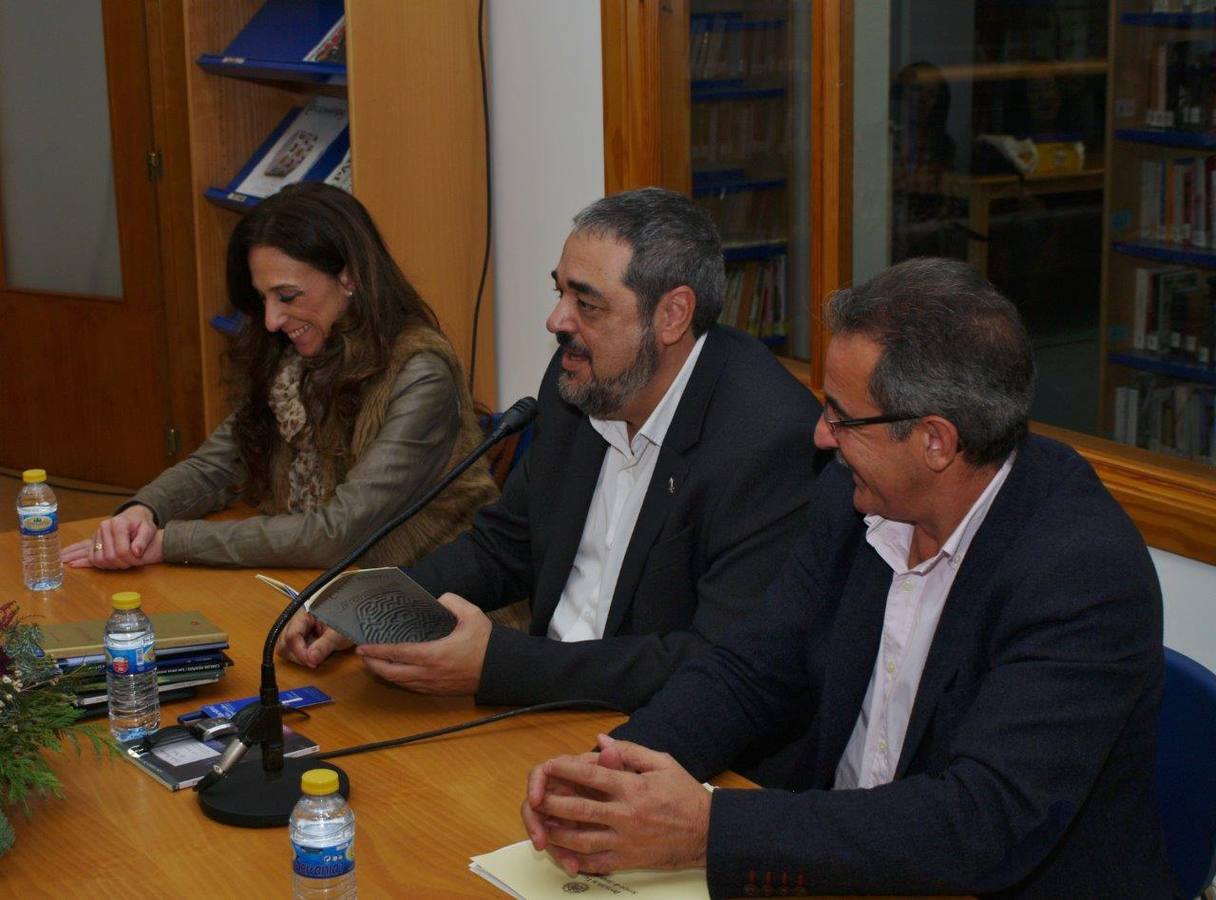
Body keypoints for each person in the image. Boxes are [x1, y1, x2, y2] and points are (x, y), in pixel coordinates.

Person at [521, 257, 1176, 898]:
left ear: (935, 441)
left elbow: (978, 823)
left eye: (842, 416)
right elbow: (753, 670)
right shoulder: (855, 497)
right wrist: (612, 774)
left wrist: (705, 829)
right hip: (843, 864)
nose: (821, 436)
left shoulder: (1081, 575)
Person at [278, 187, 823, 713]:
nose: (557, 322)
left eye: (586, 303)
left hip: (659, 737)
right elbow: (508, 546)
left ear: (672, 315)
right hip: (541, 708)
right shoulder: (581, 382)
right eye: (559, 292)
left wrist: (499, 666)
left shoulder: (768, 439)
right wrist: (372, 609)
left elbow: (713, 661)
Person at [62, 182, 497, 571]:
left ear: (349, 276)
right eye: (262, 298)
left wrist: (172, 541)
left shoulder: (420, 374)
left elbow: (336, 535)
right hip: (326, 588)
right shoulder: (296, 358)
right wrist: (142, 513)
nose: (271, 320)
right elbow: (217, 465)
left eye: (287, 296)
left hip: (429, 605)